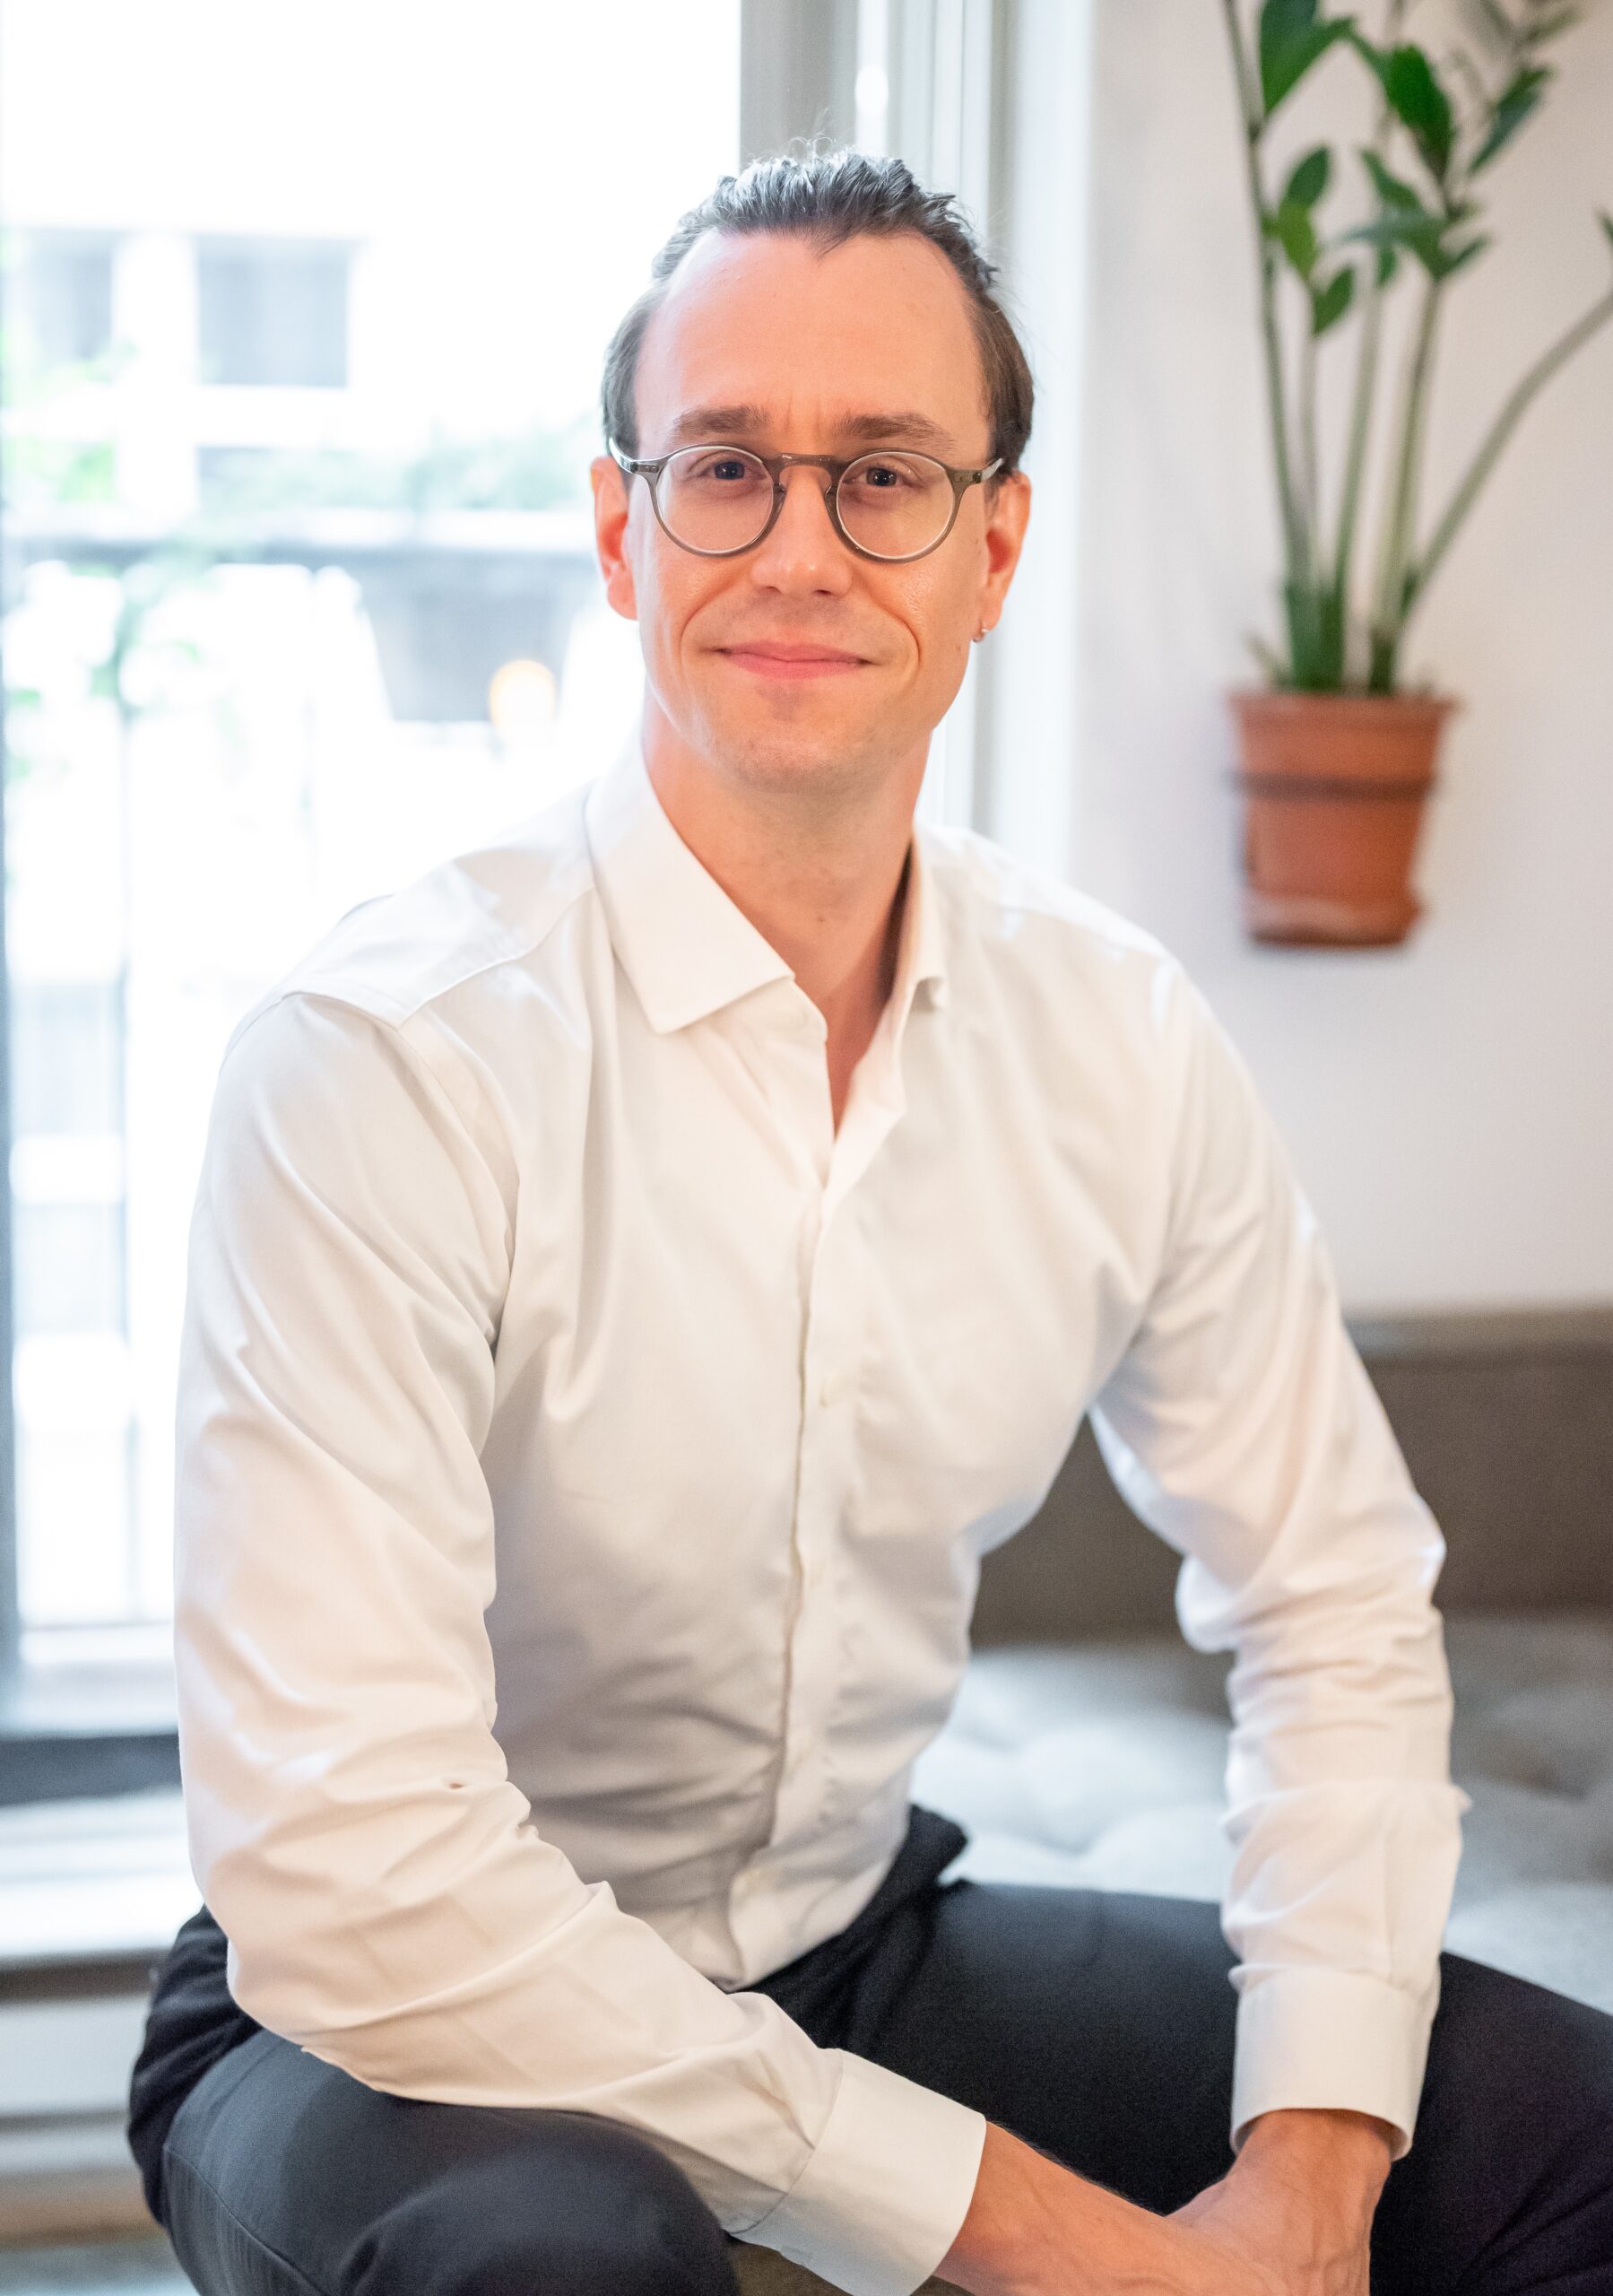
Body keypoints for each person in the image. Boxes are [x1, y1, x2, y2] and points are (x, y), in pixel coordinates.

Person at [127, 146, 1613, 2296]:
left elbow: (1336, 1601)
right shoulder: (382, 1062)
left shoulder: (1114, 1033)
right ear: (620, 528)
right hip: (378, 2024)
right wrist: (1037, 2232)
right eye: (726, 465)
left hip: (854, 1939)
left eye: (887, 472)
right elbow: (360, 1874)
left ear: (995, 541)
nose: (801, 545)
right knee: (575, 2256)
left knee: (1568, 2139)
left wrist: (1302, 2178)